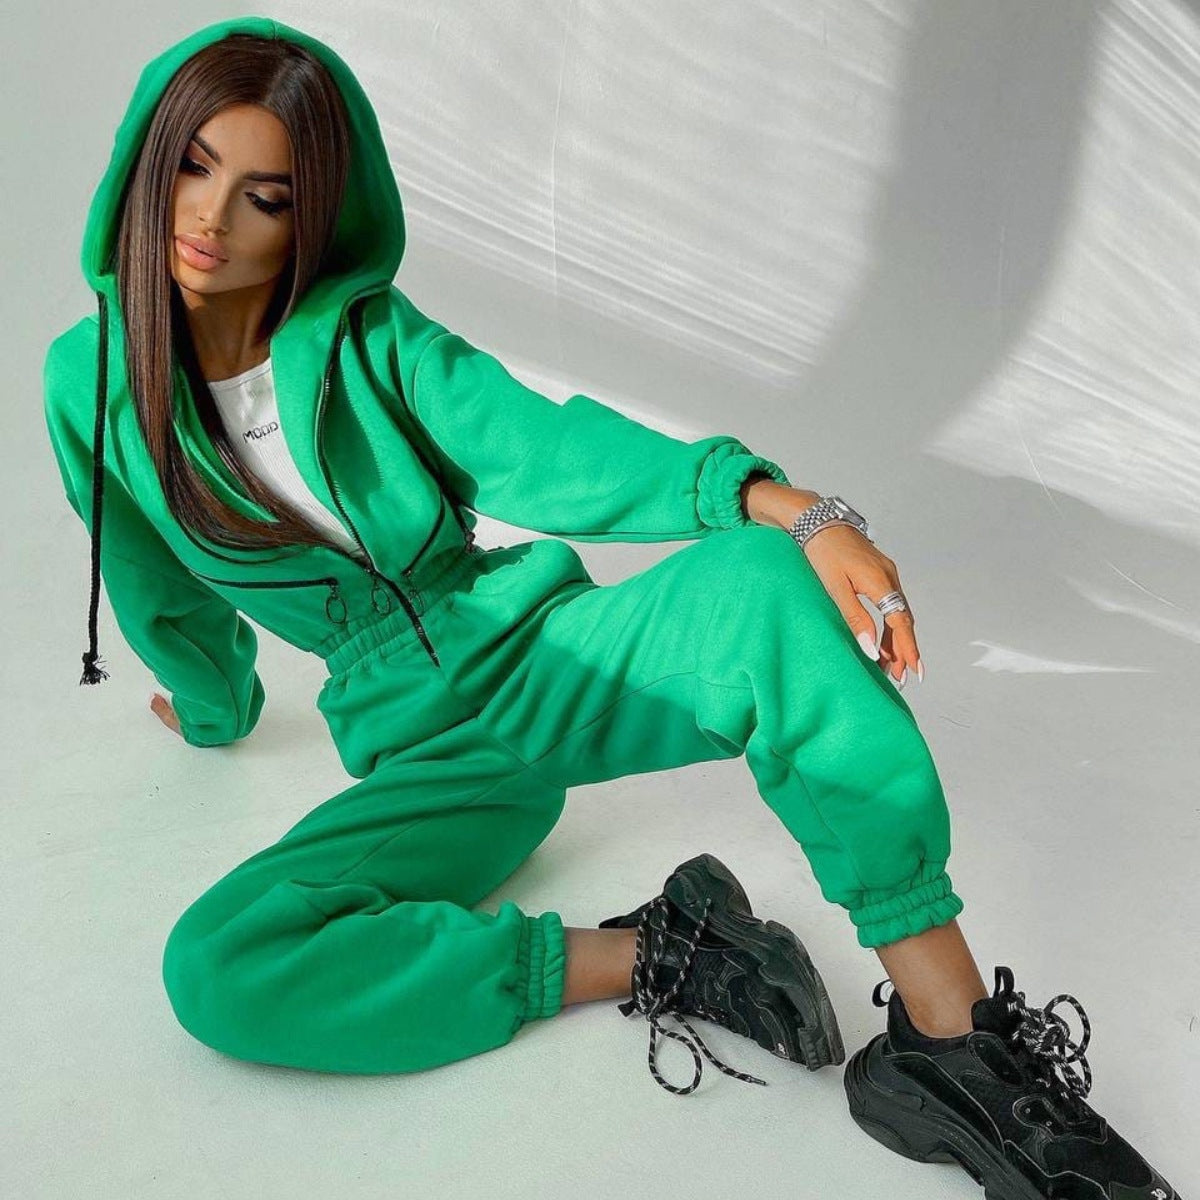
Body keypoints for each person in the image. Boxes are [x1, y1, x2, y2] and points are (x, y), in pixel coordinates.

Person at [42, 16, 1180, 1198]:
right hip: (425, 761)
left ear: (310, 216)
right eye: (194, 167)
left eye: (265, 196)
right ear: (149, 154)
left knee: (759, 584)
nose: (211, 219)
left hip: (533, 657)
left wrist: (781, 504)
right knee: (218, 968)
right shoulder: (91, 382)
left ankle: (949, 1048)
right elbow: (149, 578)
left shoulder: (373, 343)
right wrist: (212, 708)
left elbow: (549, 449)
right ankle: (667, 949)